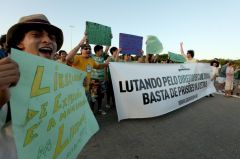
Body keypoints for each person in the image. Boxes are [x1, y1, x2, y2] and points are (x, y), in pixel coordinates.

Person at [1, 13, 63, 158]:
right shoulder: (5, 76)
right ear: (19, 43)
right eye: (36, 35)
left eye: (52, 38)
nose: (48, 40)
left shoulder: (58, 77)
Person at [66, 35, 109, 112]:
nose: (88, 50)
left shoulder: (91, 60)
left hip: (86, 89)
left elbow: (98, 66)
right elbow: (68, 58)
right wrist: (80, 44)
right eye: (85, 48)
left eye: (89, 48)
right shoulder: (77, 58)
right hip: (76, 91)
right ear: (81, 51)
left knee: (86, 110)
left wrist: (106, 63)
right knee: (77, 111)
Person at [90, 45, 110, 115]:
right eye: (101, 50)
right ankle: (91, 110)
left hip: (102, 80)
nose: (103, 51)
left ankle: (99, 109)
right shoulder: (91, 56)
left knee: (101, 96)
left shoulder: (102, 57)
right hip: (94, 81)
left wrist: (109, 40)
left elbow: (107, 49)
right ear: (97, 51)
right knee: (93, 96)